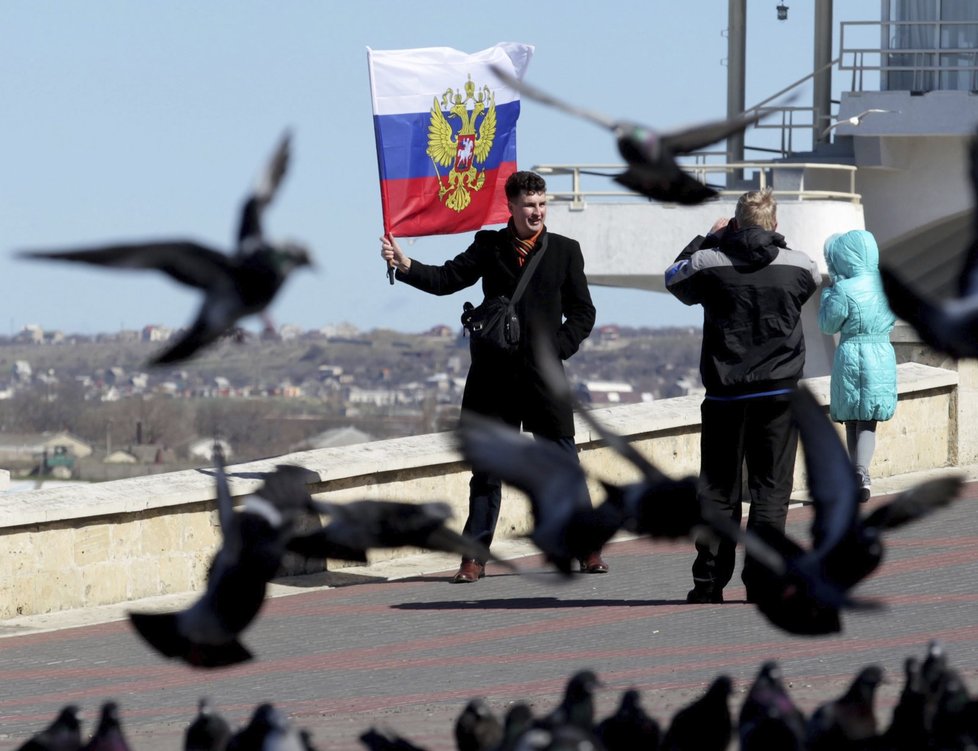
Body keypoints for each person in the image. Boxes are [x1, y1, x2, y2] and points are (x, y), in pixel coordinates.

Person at [379, 170, 607, 582]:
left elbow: (583, 312)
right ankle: (473, 558)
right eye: (529, 206)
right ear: (512, 208)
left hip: (543, 379)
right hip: (493, 378)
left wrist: (556, 349)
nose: (537, 213)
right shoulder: (489, 245)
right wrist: (406, 264)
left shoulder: (565, 251)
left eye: (541, 205)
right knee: (486, 473)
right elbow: (448, 279)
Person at [664, 188, 821, 604]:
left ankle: (709, 583)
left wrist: (708, 239)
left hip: (725, 395)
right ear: (774, 224)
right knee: (771, 490)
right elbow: (811, 283)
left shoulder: (709, 263)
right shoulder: (798, 265)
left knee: (718, 491)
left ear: (734, 222)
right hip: (779, 393)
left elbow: (673, 278)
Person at [818, 229, 897, 503]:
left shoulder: (843, 288)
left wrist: (828, 295)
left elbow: (827, 325)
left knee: (851, 416)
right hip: (880, 352)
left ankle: (857, 472)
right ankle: (860, 472)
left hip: (851, 351)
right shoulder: (887, 284)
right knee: (868, 418)